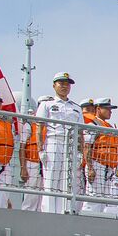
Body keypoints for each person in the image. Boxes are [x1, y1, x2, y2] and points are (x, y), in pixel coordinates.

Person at [34, 72, 84, 213]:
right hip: (54, 141)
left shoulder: (76, 107)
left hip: (71, 145)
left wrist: (80, 152)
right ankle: (49, 213)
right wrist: (40, 150)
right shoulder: (47, 105)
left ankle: (64, 212)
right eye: (61, 83)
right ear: (54, 85)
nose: (64, 86)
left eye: (67, 84)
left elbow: (80, 132)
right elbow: (39, 128)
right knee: (51, 179)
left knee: (67, 180)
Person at [82, 97, 118, 215]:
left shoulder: (109, 126)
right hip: (97, 165)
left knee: (108, 201)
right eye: (107, 108)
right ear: (98, 109)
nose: (110, 111)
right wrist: (90, 168)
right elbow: (87, 146)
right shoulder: (93, 124)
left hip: (109, 168)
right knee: (93, 198)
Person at [18, 112, 44, 211]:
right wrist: (23, 168)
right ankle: (26, 217)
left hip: (46, 165)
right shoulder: (29, 125)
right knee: (30, 196)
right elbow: (22, 147)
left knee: (44, 197)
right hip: (32, 163)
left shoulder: (52, 126)